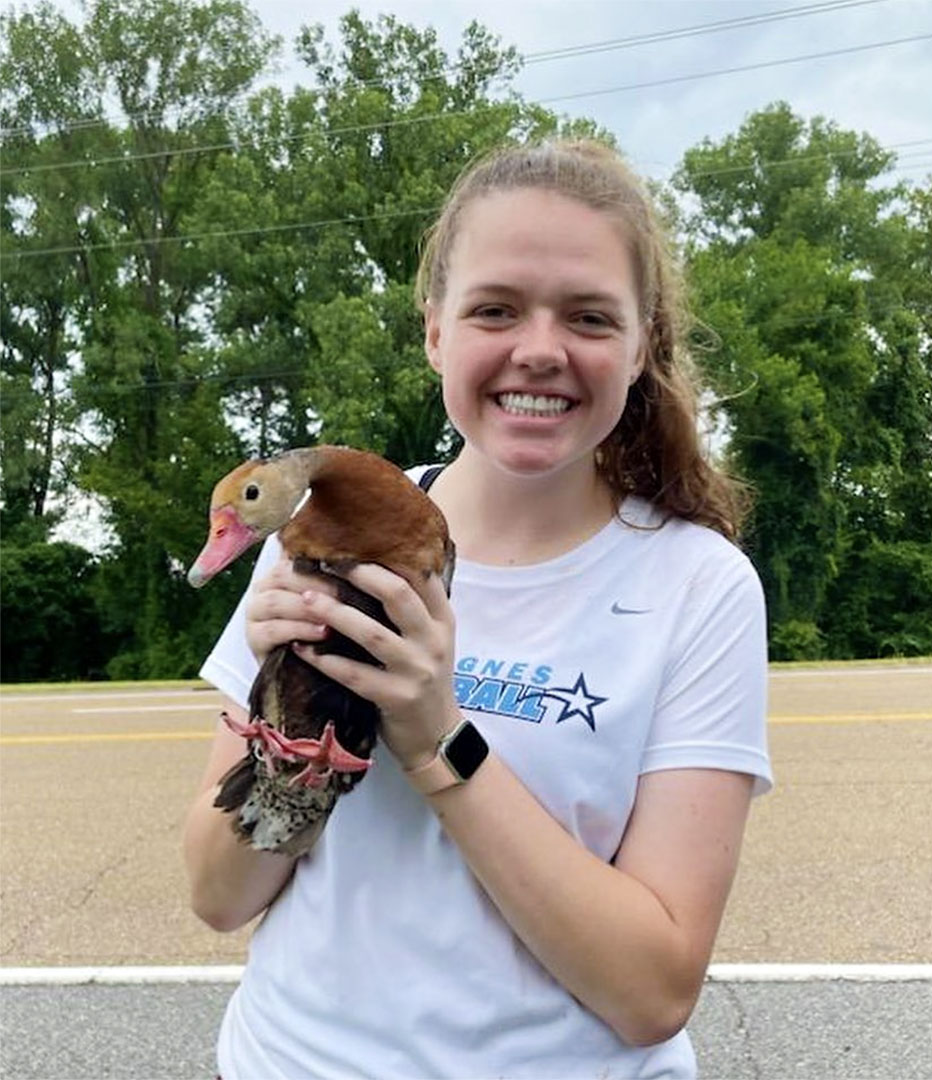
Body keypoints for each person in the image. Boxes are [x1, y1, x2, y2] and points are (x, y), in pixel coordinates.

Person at [183, 138, 772, 1080]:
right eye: (495, 309)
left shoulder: (697, 585)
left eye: (588, 316)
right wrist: (282, 724)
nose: (539, 351)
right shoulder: (312, 538)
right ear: (434, 333)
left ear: (641, 343)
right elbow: (221, 894)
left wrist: (434, 735)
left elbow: (651, 992)